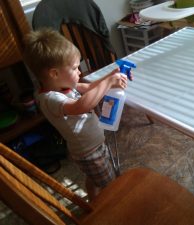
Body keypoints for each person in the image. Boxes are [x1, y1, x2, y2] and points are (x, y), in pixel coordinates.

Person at [23, 28, 130, 200]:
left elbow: (88, 87)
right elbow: (81, 105)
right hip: (89, 153)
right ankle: (112, 207)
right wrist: (109, 82)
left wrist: (112, 76)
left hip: (94, 145)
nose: (79, 71)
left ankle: (93, 201)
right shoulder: (51, 99)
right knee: (110, 186)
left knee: (94, 179)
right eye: (74, 68)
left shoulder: (62, 85)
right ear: (54, 74)